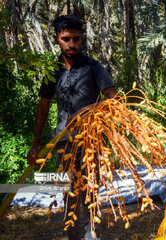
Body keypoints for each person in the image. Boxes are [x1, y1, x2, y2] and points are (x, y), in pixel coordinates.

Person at [27, 15, 117, 240]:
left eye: (76, 39)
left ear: (82, 39)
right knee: (68, 197)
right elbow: (43, 105)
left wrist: (85, 111)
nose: (72, 45)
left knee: (90, 195)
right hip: (62, 144)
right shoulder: (53, 69)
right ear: (57, 39)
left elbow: (113, 99)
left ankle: (91, 237)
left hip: (90, 142)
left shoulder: (93, 67)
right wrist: (36, 143)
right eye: (66, 39)